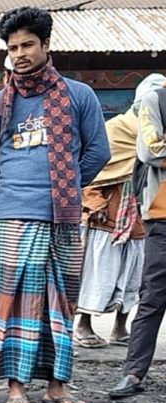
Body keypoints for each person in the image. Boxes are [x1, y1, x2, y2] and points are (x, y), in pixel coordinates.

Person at [0, 6, 109, 403]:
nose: (20, 54)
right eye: (12, 47)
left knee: (60, 303)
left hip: (64, 216)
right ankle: (15, 386)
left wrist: (63, 188)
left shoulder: (78, 95)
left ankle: (56, 386)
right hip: (13, 218)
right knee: (13, 302)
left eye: (27, 44)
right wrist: (19, 192)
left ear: (46, 45)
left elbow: (98, 151)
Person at [75, 75, 164, 350]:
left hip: (140, 214)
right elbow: (90, 169)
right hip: (107, 217)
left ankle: (120, 326)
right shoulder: (115, 129)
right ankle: (84, 324)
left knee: (133, 276)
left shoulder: (155, 132)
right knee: (98, 273)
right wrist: (93, 201)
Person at [110, 77, 166, 399]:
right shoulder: (155, 101)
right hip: (162, 216)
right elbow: (151, 150)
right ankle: (133, 373)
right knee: (153, 297)